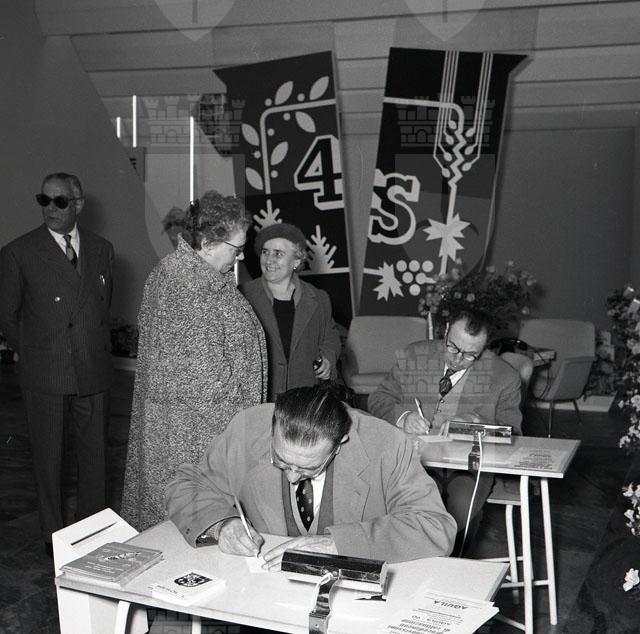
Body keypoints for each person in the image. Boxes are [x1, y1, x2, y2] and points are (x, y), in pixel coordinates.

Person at [166, 385, 457, 566]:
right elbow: (186, 485)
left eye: (308, 468)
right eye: (281, 461)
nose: (293, 478)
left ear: (339, 444)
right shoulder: (247, 428)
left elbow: (435, 526)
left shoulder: (387, 445)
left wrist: (339, 544)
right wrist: (221, 525)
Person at [121, 191, 267, 531]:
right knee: (192, 528)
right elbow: (203, 384)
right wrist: (246, 433)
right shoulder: (188, 287)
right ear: (209, 242)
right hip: (193, 440)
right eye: (236, 248)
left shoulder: (189, 275)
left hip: (188, 433)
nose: (241, 256)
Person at [0, 173, 114, 556]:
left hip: (92, 368)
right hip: (46, 372)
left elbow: (101, 307)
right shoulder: (19, 252)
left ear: (77, 204)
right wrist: (36, 352)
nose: (51, 208)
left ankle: (94, 528)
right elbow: (7, 315)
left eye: (60, 201)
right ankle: (53, 534)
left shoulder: (102, 249)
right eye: (44, 200)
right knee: (48, 460)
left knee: (95, 458)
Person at [368, 308, 522, 553]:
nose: (458, 359)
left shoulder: (505, 377)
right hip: (414, 461)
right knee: (413, 511)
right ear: (447, 329)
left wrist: (477, 425)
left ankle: (454, 564)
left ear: (484, 349)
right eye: (452, 347)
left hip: (468, 468)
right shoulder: (414, 355)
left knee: (458, 516)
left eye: (470, 355)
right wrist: (403, 417)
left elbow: (512, 434)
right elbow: (378, 399)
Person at [240, 223, 341, 401]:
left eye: (278, 254)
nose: (269, 260)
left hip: (304, 399)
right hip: (257, 401)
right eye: (265, 252)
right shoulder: (242, 296)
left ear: (296, 261)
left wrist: (328, 359)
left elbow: (330, 337)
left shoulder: (319, 298)